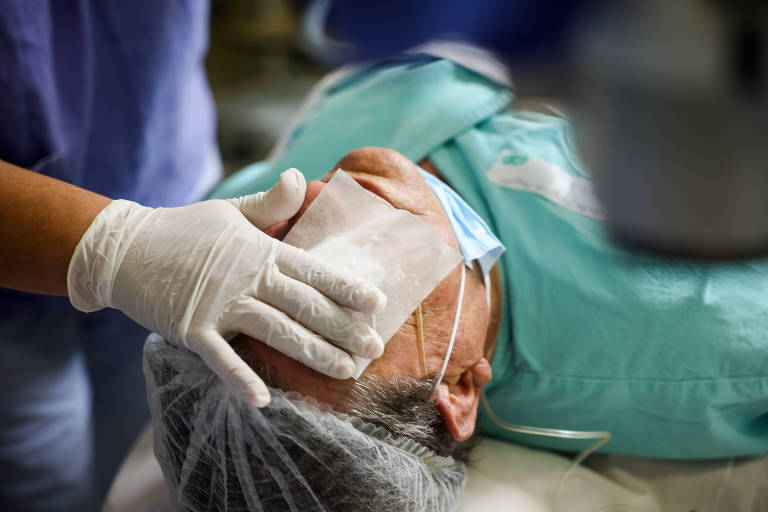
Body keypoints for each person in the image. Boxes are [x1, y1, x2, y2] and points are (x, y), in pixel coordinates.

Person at [0, 4, 385, 511]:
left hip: (166, 184)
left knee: (145, 460)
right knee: (43, 476)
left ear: (462, 393)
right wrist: (116, 243)